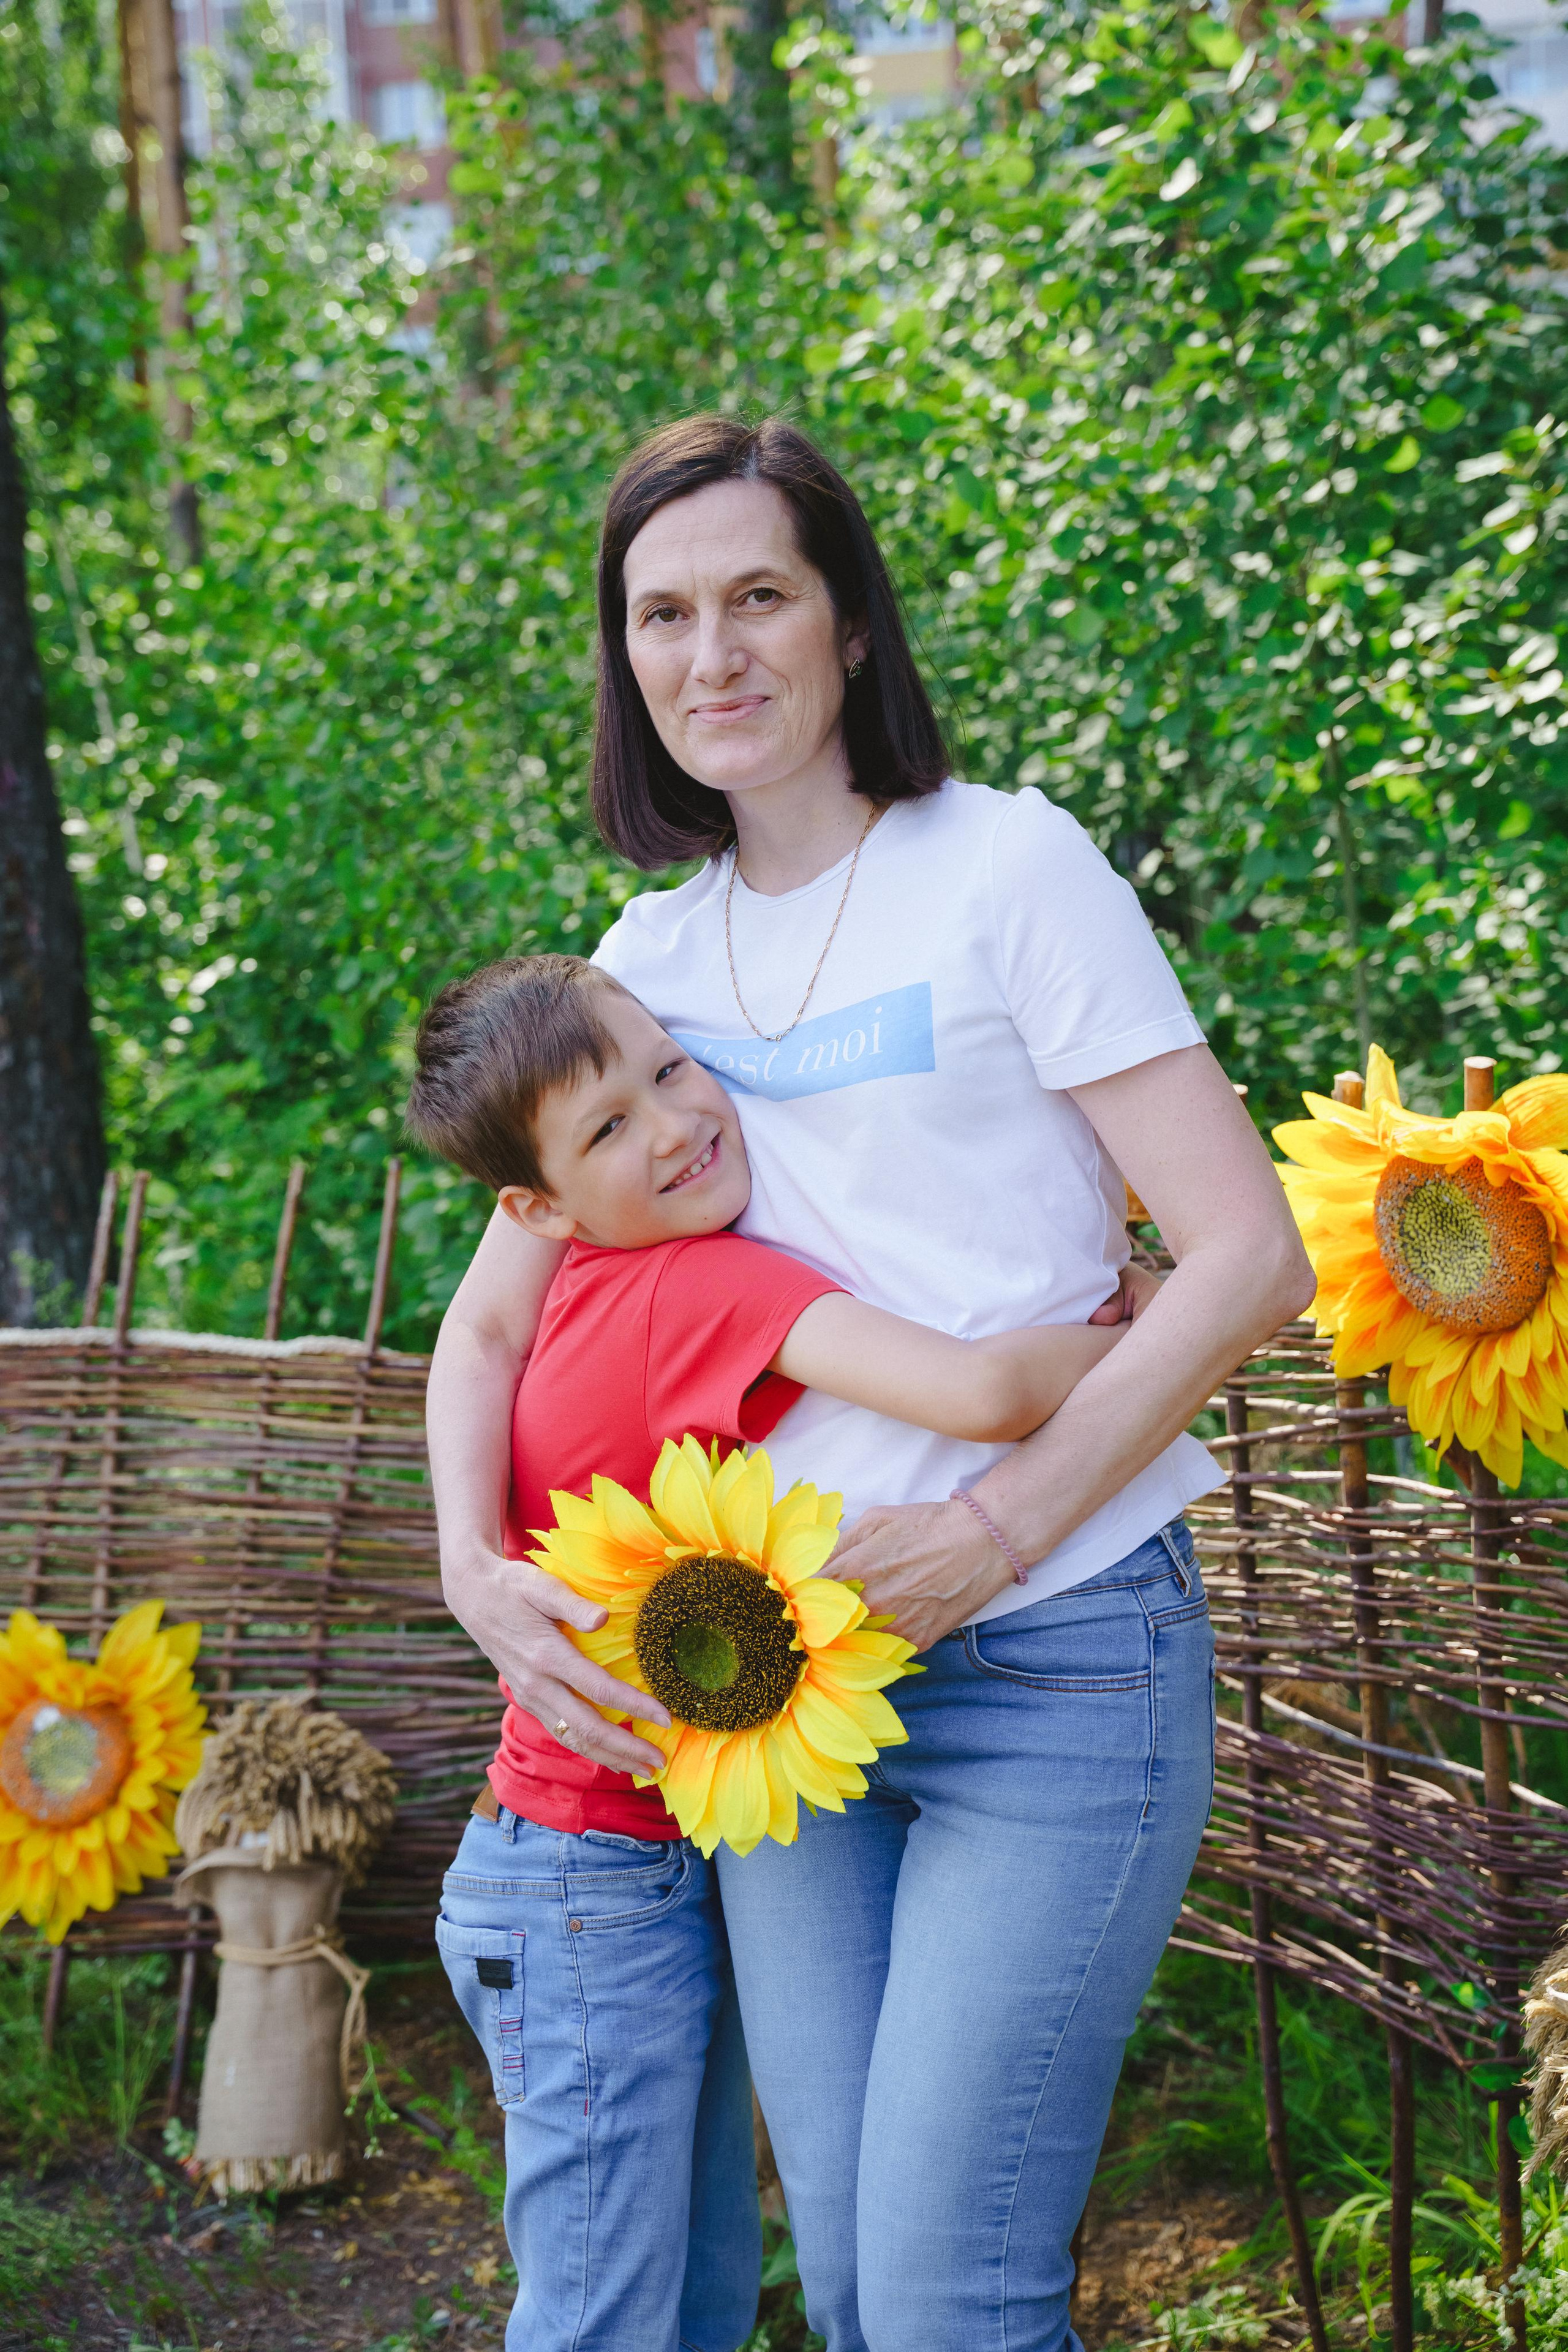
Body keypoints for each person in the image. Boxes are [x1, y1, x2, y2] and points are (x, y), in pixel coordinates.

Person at [424, 415, 1315, 2352]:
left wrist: (990, 1533)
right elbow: (487, 1321)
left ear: (846, 623)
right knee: (846, 2278)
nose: (713, 653)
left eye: (760, 595)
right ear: (627, 662)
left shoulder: (1007, 866)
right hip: (790, 1696)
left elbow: (1249, 1258)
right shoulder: (644, 959)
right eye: (664, 614)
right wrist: (471, 1573)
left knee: (943, 2302)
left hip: (1059, 1660)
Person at [407, 949, 1134, 2352]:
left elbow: (479, 1325)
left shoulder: (572, 1281)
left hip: (595, 1865)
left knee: (687, 2302)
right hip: (590, 1884)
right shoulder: (698, 1288)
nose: (673, 1126)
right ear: (537, 1206)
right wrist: (1141, 1322)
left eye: (669, 1072)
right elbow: (980, 1391)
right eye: (608, 1128)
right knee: (615, 2321)